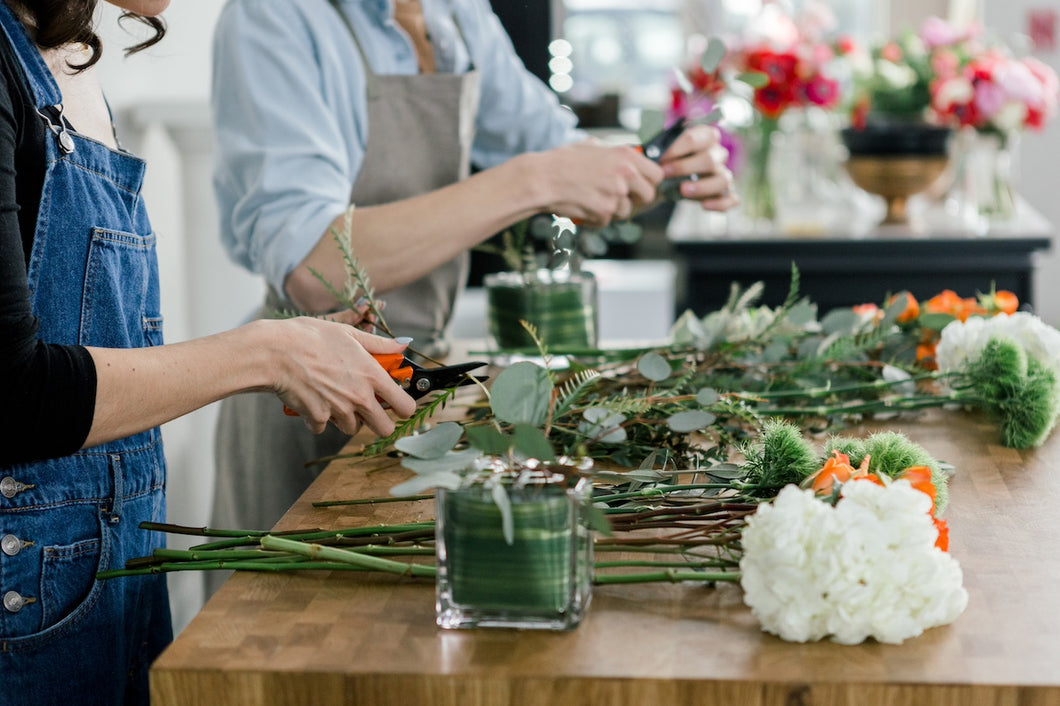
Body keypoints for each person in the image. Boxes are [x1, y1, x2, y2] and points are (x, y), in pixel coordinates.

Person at [0, 1, 416, 702]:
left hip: (109, 571)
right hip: (23, 594)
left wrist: (302, 347)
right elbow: (13, 397)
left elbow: (86, 350)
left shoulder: (67, 62)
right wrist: (266, 354)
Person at [209, 0, 739, 544]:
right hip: (311, 400)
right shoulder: (274, 16)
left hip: (426, 385)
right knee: (288, 615)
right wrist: (536, 181)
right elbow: (313, 264)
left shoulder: (455, 15)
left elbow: (562, 157)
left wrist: (661, 163)